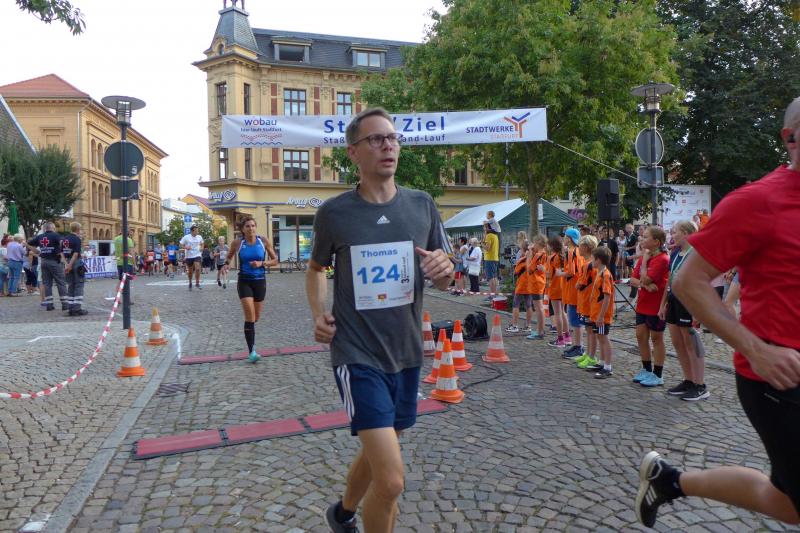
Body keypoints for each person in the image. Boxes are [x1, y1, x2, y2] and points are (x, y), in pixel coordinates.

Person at [636, 96, 800, 529]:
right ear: (790, 138)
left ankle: (669, 481)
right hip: (780, 379)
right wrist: (757, 350)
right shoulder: (757, 202)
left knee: (788, 505)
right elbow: (688, 281)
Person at [305, 107, 453, 533]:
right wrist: (319, 314)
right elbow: (315, 269)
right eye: (376, 139)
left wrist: (445, 270)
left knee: (377, 455)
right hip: (356, 354)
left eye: (392, 137)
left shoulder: (422, 205)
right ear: (354, 152)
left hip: (405, 353)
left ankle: (342, 513)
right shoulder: (334, 213)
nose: (388, 145)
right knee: (390, 481)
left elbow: (444, 274)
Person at [658, 220, 708, 401]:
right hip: (674, 300)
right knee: (678, 343)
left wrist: (698, 310)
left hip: (689, 302)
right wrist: (663, 303)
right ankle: (689, 380)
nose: (672, 236)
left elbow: (702, 282)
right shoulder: (675, 253)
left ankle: (700, 385)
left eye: (675, 232)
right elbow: (670, 280)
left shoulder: (696, 254)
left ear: (686, 233)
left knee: (691, 344)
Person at [221, 217, 278, 363]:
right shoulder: (238, 243)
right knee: (249, 317)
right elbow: (229, 256)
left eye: (253, 225)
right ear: (243, 229)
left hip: (260, 281)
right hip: (244, 281)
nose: (251, 228)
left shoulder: (263, 241)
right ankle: (252, 351)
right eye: (247, 226)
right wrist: (226, 264)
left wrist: (262, 263)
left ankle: (251, 339)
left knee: (255, 317)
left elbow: (275, 260)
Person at [630, 226, 670, 386]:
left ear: (657, 242)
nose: (642, 239)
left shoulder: (662, 259)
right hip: (643, 303)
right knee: (640, 335)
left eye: (646, 237)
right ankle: (646, 369)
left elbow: (645, 278)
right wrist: (645, 285)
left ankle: (658, 374)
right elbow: (633, 280)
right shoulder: (643, 257)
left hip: (656, 305)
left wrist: (645, 262)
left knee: (656, 338)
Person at [27, 222, 68, 311]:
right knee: (60, 282)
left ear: (45, 228)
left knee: (47, 284)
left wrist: (36, 251)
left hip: (44, 262)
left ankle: (49, 305)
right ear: (53, 228)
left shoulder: (40, 236)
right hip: (55, 262)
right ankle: (65, 304)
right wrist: (61, 253)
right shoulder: (56, 235)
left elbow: (29, 243)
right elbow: (63, 243)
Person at [587, 246, 615, 378]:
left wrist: (601, 316)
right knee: (600, 337)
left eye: (593, 259)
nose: (591, 261)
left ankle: (608, 367)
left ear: (598, 260)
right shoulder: (600, 272)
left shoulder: (605, 275)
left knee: (604, 338)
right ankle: (602, 362)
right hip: (596, 313)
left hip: (602, 315)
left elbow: (607, 297)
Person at [573, 235, 600, 369]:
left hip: (588, 301)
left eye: (580, 246)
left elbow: (581, 283)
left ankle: (591, 356)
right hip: (586, 301)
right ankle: (588, 354)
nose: (578, 248)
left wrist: (577, 285)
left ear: (586, 247)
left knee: (591, 331)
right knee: (589, 330)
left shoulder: (588, 264)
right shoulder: (589, 263)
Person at [560, 228, 584, 357]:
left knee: (575, 320)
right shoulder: (578, 251)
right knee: (576, 319)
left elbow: (571, 272)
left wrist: (559, 273)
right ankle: (576, 345)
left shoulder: (571, 252)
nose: (563, 238)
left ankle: (578, 346)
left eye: (565, 236)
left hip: (572, 289)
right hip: (576, 288)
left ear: (569, 239)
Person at [546, 235, 568, 347]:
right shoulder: (563, 256)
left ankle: (560, 339)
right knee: (563, 312)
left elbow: (549, 275)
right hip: (563, 287)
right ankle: (567, 336)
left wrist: (542, 270)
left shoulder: (552, 258)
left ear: (552, 246)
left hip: (555, 288)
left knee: (557, 314)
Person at [61, 222, 87, 316]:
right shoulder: (77, 239)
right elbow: (75, 254)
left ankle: (70, 308)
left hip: (66, 262)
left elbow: (61, 253)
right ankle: (77, 308)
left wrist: (66, 264)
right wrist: (70, 265)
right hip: (76, 263)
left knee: (71, 285)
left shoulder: (64, 239)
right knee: (79, 285)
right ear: (78, 229)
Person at [506, 240, 532, 333]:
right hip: (530, 285)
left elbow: (516, 271)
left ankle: (515, 325)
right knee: (528, 305)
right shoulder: (532, 259)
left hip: (522, 284)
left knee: (516, 304)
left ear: (523, 250)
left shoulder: (522, 259)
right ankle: (528, 326)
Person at [526, 234, 548, 340]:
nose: (533, 245)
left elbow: (529, 269)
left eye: (534, 243)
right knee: (540, 307)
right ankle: (540, 330)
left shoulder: (538, 255)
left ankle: (540, 331)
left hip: (536, 283)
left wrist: (529, 255)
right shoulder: (544, 254)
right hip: (539, 282)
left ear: (538, 243)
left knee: (539, 308)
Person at [180, 225, 204, 290]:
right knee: (190, 271)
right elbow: (181, 244)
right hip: (189, 256)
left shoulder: (199, 237)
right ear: (192, 231)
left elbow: (202, 243)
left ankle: (197, 283)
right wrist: (186, 247)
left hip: (197, 254)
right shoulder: (186, 237)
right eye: (196, 231)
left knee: (197, 268)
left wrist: (202, 248)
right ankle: (190, 282)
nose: (197, 232)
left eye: (197, 231)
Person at [482, 221, 500, 296]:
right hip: (495, 258)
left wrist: (482, 244)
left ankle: (492, 295)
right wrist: (485, 234)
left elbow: (487, 248)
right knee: (494, 277)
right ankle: (494, 294)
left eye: (484, 226)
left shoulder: (489, 236)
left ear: (487, 227)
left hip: (489, 259)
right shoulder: (495, 235)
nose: (483, 228)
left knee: (490, 278)